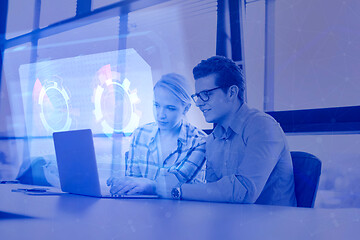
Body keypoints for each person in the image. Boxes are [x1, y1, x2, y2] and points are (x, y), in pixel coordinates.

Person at [175, 56, 297, 206]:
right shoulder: (212, 140)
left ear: (232, 92)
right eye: (198, 96)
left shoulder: (263, 127)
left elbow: (244, 192)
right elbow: (213, 194)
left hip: (273, 226)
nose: (199, 103)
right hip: (235, 223)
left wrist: (178, 190)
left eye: (206, 94)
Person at [108, 73, 206, 195]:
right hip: (143, 210)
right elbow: (134, 183)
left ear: (186, 109)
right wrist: (125, 183)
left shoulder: (199, 142)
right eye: (156, 105)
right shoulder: (140, 134)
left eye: (170, 108)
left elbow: (176, 183)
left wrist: (149, 185)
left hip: (183, 211)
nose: (161, 114)